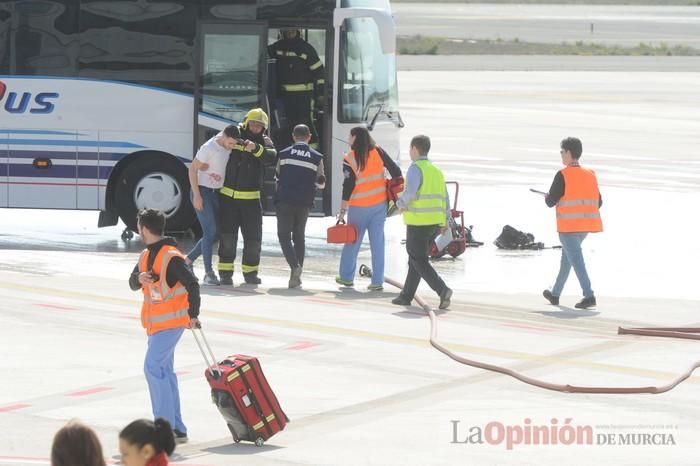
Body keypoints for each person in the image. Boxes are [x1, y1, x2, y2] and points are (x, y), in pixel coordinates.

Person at [129, 208, 201, 444]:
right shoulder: (145, 256)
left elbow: (192, 284)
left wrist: (192, 314)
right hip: (155, 326)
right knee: (164, 372)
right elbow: (131, 282)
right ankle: (177, 428)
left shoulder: (171, 256)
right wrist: (139, 279)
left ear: (144, 229)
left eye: (139, 227)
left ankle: (164, 429)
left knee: (152, 368)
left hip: (171, 324)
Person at [336, 126, 402, 291]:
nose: (348, 139)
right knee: (378, 244)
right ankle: (377, 281)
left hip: (359, 207)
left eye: (349, 137)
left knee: (352, 242)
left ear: (355, 138)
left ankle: (346, 278)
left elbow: (348, 186)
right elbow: (396, 171)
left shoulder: (350, 157)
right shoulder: (378, 151)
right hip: (379, 206)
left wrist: (342, 211)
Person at [392, 135, 453, 310]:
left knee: (418, 259)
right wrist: (445, 221)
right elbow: (445, 199)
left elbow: (410, 193)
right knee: (415, 260)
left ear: (414, 149)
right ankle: (406, 296)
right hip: (434, 223)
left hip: (418, 223)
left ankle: (442, 290)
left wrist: (399, 204)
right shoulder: (436, 171)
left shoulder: (415, 168)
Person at [217, 108, 277, 285]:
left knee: (253, 239)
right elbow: (221, 142)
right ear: (246, 122)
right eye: (253, 124)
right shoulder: (234, 135)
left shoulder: (265, 143)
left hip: (251, 201)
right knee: (228, 237)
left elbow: (271, 157)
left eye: (259, 126)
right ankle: (225, 274)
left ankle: (250, 274)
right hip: (228, 199)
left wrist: (256, 148)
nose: (256, 128)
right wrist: (242, 143)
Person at [542, 137, 602, 309]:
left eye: (562, 152)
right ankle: (555, 293)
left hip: (568, 227)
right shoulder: (590, 174)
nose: (561, 156)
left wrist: (548, 197)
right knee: (567, 260)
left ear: (569, 153)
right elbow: (598, 202)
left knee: (576, 260)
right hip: (585, 227)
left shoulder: (563, 175)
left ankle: (589, 295)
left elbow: (550, 201)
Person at [185, 126, 240, 286]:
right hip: (202, 191)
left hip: (216, 192)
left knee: (216, 234)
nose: (231, 147)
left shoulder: (230, 142)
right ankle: (208, 273)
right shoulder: (209, 147)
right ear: (224, 136)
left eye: (234, 144)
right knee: (209, 231)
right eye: (230, 143)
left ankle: (188, 260)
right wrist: (197, 195)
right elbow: (192, 170)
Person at [275, 124, 325, 288]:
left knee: (284, 236)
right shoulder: (317, 157)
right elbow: (321, 183)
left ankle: (295, 267)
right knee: (299, 237)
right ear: (309, 137)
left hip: (285, 200)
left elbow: (277, 176)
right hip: (304, 203)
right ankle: (295, 277)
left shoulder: (283, 154)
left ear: (293, 136)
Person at [268, 28, 325, 149]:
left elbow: (319, 72)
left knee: (306, 123)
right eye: (287, 31)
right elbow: (264, 54)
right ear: (282, 32)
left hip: (304, 96)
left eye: (292, 31)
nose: (289, 33)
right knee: (287, 124)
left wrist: (320, 93)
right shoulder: (276, 47)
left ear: (298, 32)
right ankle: (292, 150)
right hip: (284, 96)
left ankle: (311, 151)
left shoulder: (306, 48)